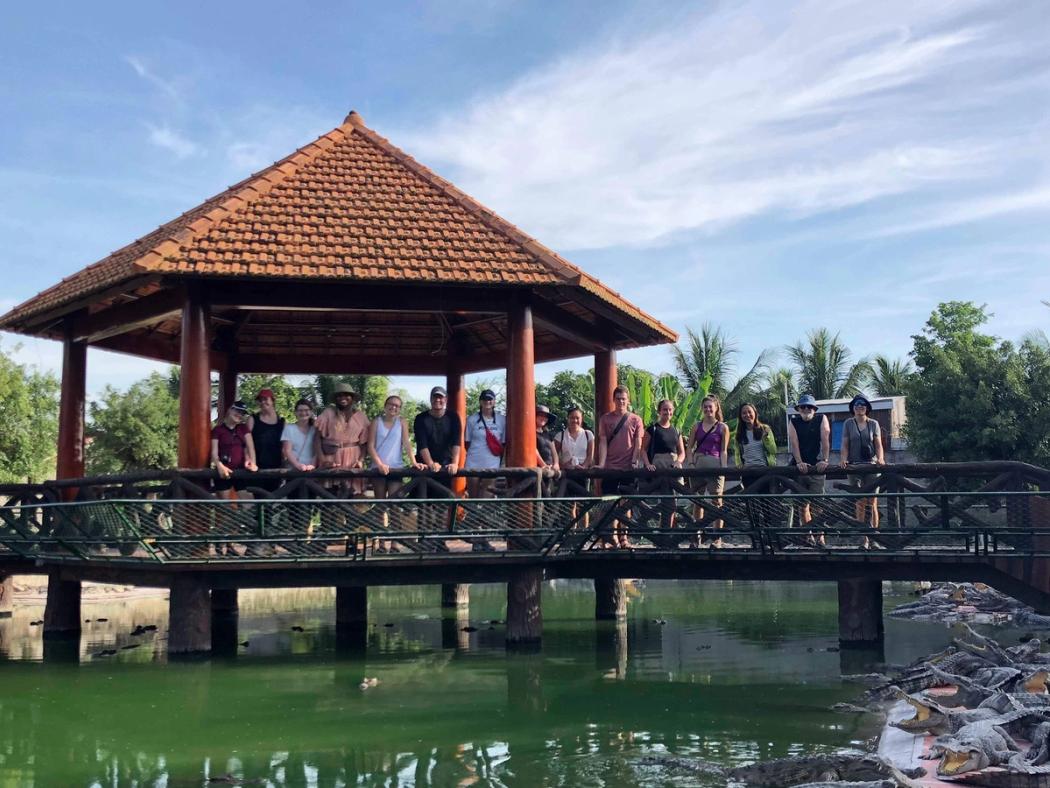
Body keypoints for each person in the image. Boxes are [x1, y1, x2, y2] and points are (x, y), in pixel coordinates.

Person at [367, 395, 422, 553]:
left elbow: (406, 443)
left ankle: (395, 542)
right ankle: (382, 542)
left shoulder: (402, 422)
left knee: (395, 506)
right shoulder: (376, 422)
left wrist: (413, 462)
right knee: (380, 506)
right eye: (391, 404)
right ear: (385, 406)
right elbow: (370, 446)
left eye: (397, 406)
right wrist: (379, 464)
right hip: (378, 468)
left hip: (396, 467)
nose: (394, 408)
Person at [597, 386, 645, 548]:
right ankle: (610, 538)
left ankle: (624, 538)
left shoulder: (635, 419)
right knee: (609, 503)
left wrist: (634, 461)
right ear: (614, 400)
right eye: (618, 399)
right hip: (611, 467)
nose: (621, 402)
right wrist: (602, 463)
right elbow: (603, 442)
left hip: (627, 468)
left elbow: (638, 442)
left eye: (624, 398)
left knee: (626, 505)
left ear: (628, 400)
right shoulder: (605, 419)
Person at [210, 400, 257, 555]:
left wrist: (253, 463)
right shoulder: (218, 430)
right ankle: (224, 544)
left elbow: (250, 447)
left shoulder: (243, 429)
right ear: (230, 410)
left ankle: (242, 539)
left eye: (242, 413)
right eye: (237, 411)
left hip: (240, 472)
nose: (239, 415)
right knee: (224, 510)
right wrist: (219, 465)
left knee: (249, 506)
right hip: (223, 472)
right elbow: (214, 453)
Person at [687, 394, 729, 546]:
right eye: (705, 407)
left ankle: (717, 538)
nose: (708, 409)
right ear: (702, 409)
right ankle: (696, 536)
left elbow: (724, 450)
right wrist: (690, 463)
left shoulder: (723, 427)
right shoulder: (696, 427)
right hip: (698, 466)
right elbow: (689, 447)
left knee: (717, 501)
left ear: (716, 408)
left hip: (715, 466)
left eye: (710, 406)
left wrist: (724, 468)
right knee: (697, 501)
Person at [787, 394, 831, 540]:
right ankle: (808, 536)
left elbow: (825, 439)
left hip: (817, 466)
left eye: (809, 406)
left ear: (814, 409)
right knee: (802, 504)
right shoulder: (793, 421)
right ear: (799, 409)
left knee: (818, 504)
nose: (806, 409)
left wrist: (825, 459)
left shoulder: (821, 418)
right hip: (799, 467)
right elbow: (794, 443)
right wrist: (799, 462)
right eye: (803, 406)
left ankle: (820, 537)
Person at [839, 394, 885, 534]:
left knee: (872, 502)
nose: (860, 407)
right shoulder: (848, 423)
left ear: (867, 408)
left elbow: (878, 444)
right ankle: (864, 538)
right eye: (857, 404)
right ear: (853, 408)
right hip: (854, 466)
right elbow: (845, 444)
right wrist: (843, 459)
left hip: (871, 465)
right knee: (860, 502)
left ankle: (874, 537)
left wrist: (881, 458)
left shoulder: (873, 424)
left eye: (863, 404)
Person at [314, 383, 370, 496]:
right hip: (331, 458)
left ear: (353, 398)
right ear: (335, 399)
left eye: (346, 395)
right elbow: (316, 439)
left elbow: (364, 443)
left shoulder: (361, 416)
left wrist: (360, 460)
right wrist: (322, 460)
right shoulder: (328, 413)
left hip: (352, 459)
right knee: (329, 494)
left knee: (351, 494)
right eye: (339, 395)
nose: (342, 398)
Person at [642, 399, 685, 533]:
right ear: (659, 411)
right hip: (658, 465)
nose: (667, 412)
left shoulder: (676, 431)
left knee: (672, 502)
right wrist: (648, 464)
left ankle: (667, 531)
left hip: (672, 466)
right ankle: (661, 531)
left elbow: (682, 452)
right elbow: (643, 449)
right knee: (660, 501)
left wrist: (679, 461)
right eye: (665, 409)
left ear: (673, 411)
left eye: (670, 409)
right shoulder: (652, 429)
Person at [413, 386, 462, 486]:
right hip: (424, 467)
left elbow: (456, 442)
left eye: (441, 397)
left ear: (446, 399)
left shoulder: (453, 417)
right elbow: (422, 444)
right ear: (430, 399)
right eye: (435, 397)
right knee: (420, 498)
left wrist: (455, 463)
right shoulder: (421, 418)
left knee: (445, 497)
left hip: (445, 466)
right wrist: (430, 463)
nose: (437, 400)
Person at [462, 389, 506, 500]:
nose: (488, 402)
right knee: (473, 498)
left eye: (490, 399)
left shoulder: (502, 420)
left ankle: (483, 517)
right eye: (485, 399)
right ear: (480, 402)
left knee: (487, 497)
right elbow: (467, 442)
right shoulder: (472, 420)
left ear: (494, 401)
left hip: (492, 463)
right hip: (473, 462)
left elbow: (504, 443)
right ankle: (472, 516)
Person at [247, 388, 286, 492]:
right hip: (256, 467)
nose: (263, 402)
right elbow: (246, 443)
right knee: (257, 499)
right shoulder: (253, 419)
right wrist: (249, 460)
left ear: (272, 401)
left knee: (272, 499)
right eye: (260, 400)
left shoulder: (282, 422)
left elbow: (285, 446)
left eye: (265, 399)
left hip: (276, 467)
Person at [281, 399, 317, 472]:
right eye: (300, 410)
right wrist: (298, 465)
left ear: (311, 412)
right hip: (294, 470)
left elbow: (317, 451)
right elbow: (287, 450)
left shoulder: (316, 429)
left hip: (313, 470)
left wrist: (313, 465)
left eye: (306, 410)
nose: (303, 413)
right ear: (295, 412)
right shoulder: (289, 428)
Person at [535, 405, 560, 471]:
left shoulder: (547, 434)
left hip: (550, 468)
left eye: (545, 416)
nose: (543, 418)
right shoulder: (531, 433)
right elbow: (534, 450)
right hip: (538, 469)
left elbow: (554, 452)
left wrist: (556, 464)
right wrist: (543, 465)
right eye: (541, 415)